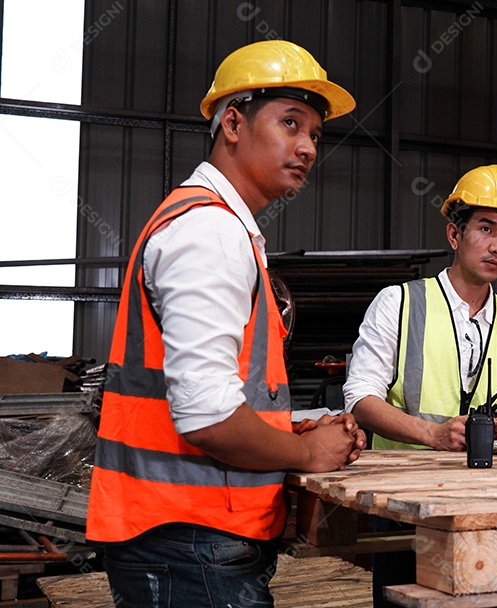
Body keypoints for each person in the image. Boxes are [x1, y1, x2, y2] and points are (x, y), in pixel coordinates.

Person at [86, 40, 366, 607]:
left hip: (190, 539)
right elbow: (208, 416)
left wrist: (292, 428)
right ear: (232, 123)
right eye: (290, 123)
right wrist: (306, 454)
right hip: (189, 543)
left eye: (314, 132)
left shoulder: (218, 227)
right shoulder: (207, 233)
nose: (308, 146)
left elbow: (220, 395)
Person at [343, 163, 497, 606]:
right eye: (486, 228)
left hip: (490, 505)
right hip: (405, 506)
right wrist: (431, 435)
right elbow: (360, 398)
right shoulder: (399, 304)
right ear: (454, 235)